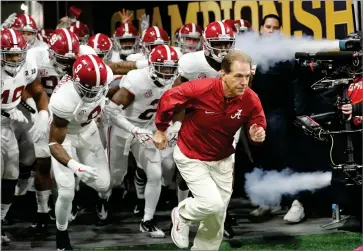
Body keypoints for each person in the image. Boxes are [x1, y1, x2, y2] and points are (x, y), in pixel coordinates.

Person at [153, 50, 267, 250]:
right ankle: (181, 214)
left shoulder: (250, 98)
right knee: (211, 204)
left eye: (247, 76)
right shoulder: (200, 89)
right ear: (223, 74)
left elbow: (257, 122)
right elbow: (169, 98)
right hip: (191, 155)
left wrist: (257, 133)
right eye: (238, 76)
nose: (244, 82)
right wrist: (161, 129)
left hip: (222, 159)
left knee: (217, 217)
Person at [48, 54, 112, 250]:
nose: (93, 94)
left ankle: (91, 201)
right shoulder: (63, 99)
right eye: (88, 90)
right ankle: (61, 234)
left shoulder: (106, 76)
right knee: (66, 191)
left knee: (104, 184)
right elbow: (53, 144)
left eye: (97, 90)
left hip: (88, 131)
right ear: (76, 82)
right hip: (65, 137)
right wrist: (75, 165)